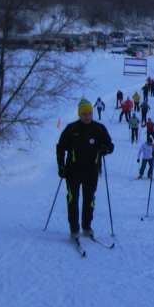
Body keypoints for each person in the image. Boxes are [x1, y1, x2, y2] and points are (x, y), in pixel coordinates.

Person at [56, 99, 114, 239]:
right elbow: (60, 148)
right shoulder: (71, 129)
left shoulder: (99, 128)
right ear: (79, 115)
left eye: (89, 113)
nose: (87, 116)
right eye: (84, 114)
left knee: (89, 199)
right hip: (73, 170)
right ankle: (74, 228)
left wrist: (105, 149)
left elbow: (110, 145)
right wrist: (61, 166)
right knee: (72, 198)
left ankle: (86, 226)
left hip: (92, 171)